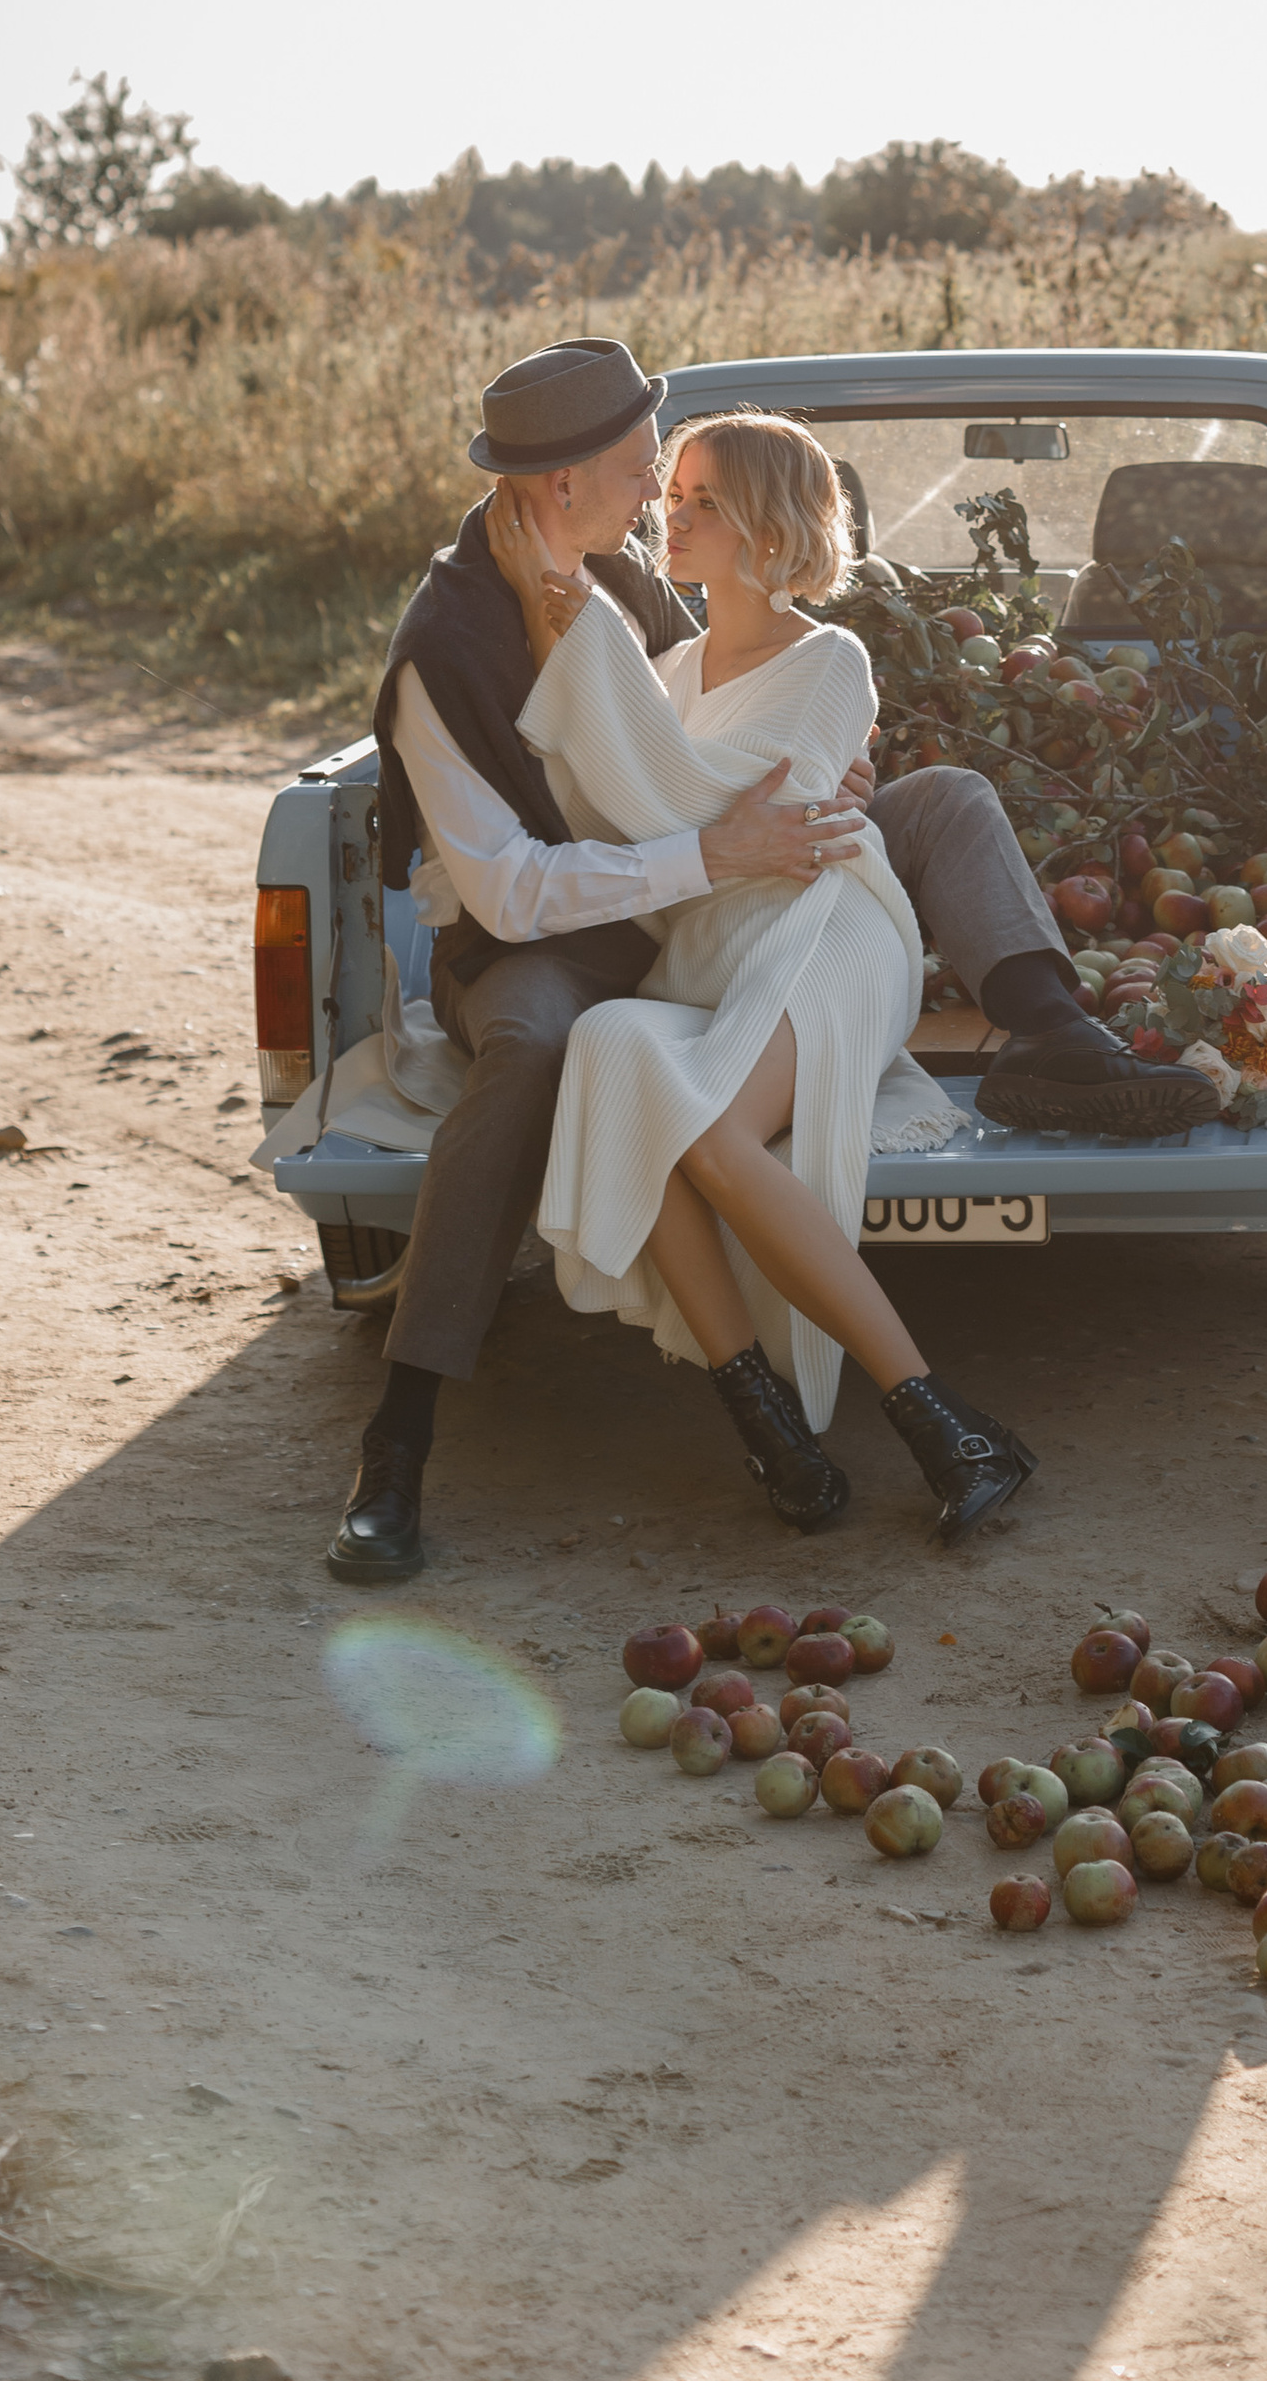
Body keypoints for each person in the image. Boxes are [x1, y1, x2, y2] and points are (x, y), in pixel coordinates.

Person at [333, 338, 1211, 1583]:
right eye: (644, 473)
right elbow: (520, 884)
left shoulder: (623, 570)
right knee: (538, 1044)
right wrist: (720, 841)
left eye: (676, 485)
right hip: (558, 922)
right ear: (565, 482)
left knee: (945, 797)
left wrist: (822, 770)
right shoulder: (445, 649)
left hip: (730, 884)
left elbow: (707, 725)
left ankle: (1058, 1035)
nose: (656, 499)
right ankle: (400, 1436)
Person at [507, 408, 1031, 1540]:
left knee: (708, 1136)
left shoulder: (829, 660)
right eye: (672, 496)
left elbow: (691, 798)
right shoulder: (664, 671)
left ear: (774, 528)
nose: (674, 518)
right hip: (715, 953)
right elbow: (608, 810)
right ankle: (767, 1421)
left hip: (831, 926)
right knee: (613, 1052)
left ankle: (944, 1421)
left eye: (707, 502)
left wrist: (588, 641)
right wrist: (585, 657)